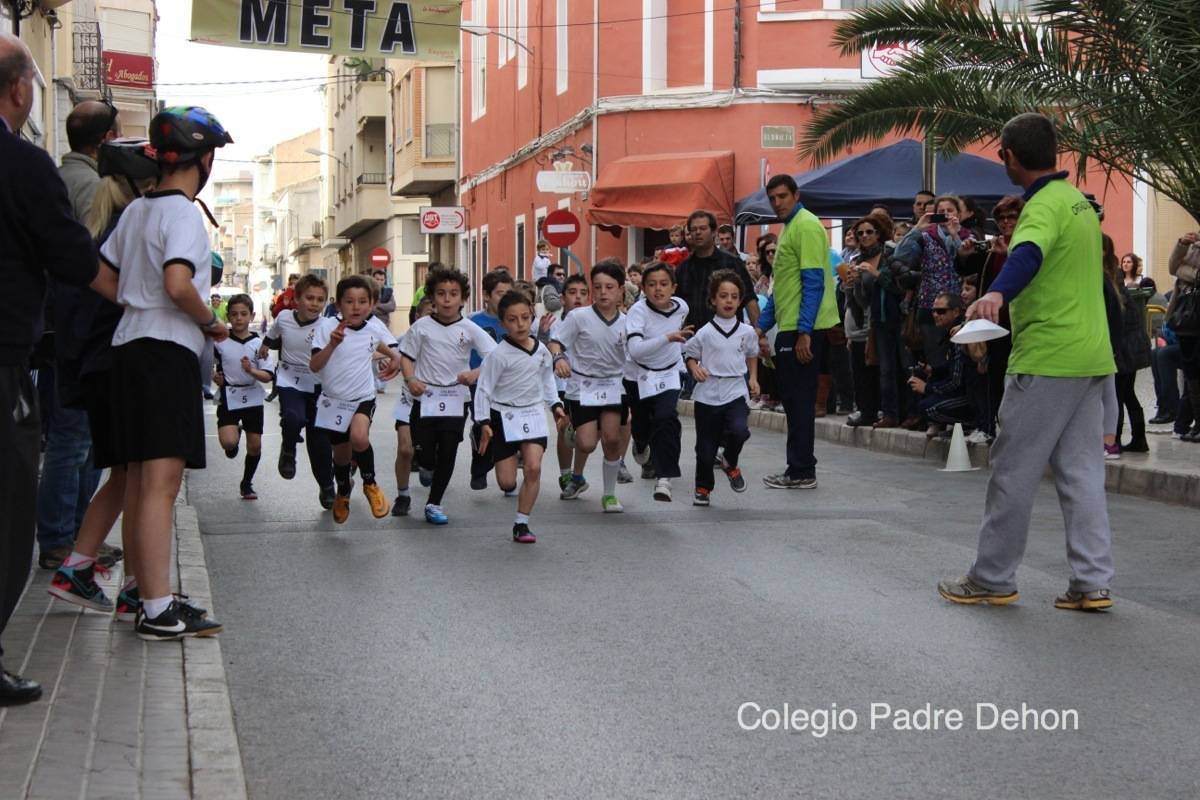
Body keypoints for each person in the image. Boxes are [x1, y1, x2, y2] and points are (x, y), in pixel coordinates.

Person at [939, 112, 1116, 612]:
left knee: (1012, 471)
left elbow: (1028, 255)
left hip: (1047, 358)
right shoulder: (1079, 203)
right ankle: (1092, 582)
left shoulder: (1040, 208)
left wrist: (994, 293)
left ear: (1009, 158)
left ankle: (992, 577)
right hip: (1091, 357)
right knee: (1082, 475)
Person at [0, 34, 120, 700]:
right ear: (21, 92)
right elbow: (74, 258)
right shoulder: (23, 166)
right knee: (11, 502)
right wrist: (137, 299)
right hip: (6, 357)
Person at [95, 105, 235, 641]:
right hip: (164, 352)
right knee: (160, 484)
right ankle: (156, 609)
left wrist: (138, 302)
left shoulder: (136, 211)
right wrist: (210, 323)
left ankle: (141, 592)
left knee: (137, 483)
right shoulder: (181, 213)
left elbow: (101, 276)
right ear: (205, 160)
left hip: (128, 345)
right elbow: (180, 283)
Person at [45, 138, 161, 620]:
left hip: (92, 370)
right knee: (138, 477)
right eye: (153, 183)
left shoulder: (95, 232)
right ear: (134, 185)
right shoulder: (123, 234)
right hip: (113, 368)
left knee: (128, 476)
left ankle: (114, 577)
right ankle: (83, 567)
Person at [35, 101, 123, 571]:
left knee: (80, 437)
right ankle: (62, 538)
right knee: (75, 439)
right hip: (77, 329)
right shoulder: (90, 187)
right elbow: (90, 264)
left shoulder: (63, 176)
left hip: (63, 328)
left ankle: (73, 536)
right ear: (107, 139)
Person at [756, 175, 839, 489]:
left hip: (804, 329)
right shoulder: (791, 227)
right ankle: (798, 468)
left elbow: (813, 282)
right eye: (772, 198)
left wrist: (805, 332)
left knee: (800, 402)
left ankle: (802, 471)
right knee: (792, 401)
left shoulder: (805, 225)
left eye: (782, 196)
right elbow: (782, 289)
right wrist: (760, 327)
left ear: (795, 194)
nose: (777, 203)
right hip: (789, 326)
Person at [400, 268, 497, 525]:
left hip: (456, 399)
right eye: (441, 294)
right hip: (424, 398)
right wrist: (411, 380)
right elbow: (407, 358)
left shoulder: (470, 328)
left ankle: (434, 503)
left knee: (448, 451)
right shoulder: (421, 327)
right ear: (432, 297)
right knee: (425, 452)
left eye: (453, 294)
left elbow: (496, 357)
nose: (447, 299)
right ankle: (425, 465)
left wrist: (475, 373)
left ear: (462, 299)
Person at [474, 291, 569, 543]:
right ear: (503, 322)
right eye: (513, 320)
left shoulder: (542, 352)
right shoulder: (498, 355)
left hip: (533, 412)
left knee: (534, 468)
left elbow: (547, 379)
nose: (520, 324)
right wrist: (483, 422)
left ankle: (522, 523)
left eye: (525, 318)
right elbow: (484, 389)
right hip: (503, 415)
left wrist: (556, 405)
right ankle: (507, 454)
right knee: (506, 481)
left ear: (532, 317)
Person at [310, 275, 402, 524]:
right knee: (340, 456)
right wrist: (332, 345)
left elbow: (382, 344)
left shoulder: (373, 328)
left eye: (363, 301)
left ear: (371, 304)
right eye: (349, 301)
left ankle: (370, 484)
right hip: (333, 401)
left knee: (359, 437)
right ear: (338, 304)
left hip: (362, 396)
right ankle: (343, 490)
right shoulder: (326, 327)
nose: (356, 306)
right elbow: (314, 366)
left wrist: (394, 358)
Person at [550, 261, 629, 512]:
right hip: (582, 387)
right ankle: (572, 430)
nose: (604, 292)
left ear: (620, 291)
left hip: (614, 386)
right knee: (586, 444)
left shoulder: (628, 322)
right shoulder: (578, 317)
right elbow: (555, 342)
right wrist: (559, 358)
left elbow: (639, 353)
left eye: (610, 287)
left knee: (612, 438)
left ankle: (609, 495)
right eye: (598, 287)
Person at [684, 271, 759, 506]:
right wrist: (694, 368)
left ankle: (729, 461)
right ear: (713, 300)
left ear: (739, 301)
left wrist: (753, 378)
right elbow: (689, 354)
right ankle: (703, 487)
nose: (729, 301)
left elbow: (752, 355)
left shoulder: (746, 332)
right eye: (723, 296)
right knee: (705, 448)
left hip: (736, 389)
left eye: (734, 297)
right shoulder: (705, 332)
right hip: (708, 393)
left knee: (740, 431)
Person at [262, 274, 335, 508]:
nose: (314, 304)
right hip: (289, 379)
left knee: (319, 442)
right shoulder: (284, 317)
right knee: (293, 417)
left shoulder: (327, 325)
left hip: (316, 385)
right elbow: (272, 335)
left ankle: (326, 486)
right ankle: (288, 450)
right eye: (309, 298)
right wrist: (264, 346)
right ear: (297, 299)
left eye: (320, 300)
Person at [624, 262, 692, 502]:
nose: (658, 289)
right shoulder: (637, 312)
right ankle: (641, 444)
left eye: (664, 284)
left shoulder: (682, 307)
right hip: (639, 375)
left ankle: (665, 479)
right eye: (651, 285)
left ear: (674, 287)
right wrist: (668, 338)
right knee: (642, 425)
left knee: (666, 418)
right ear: (643, 288)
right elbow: (635, 350)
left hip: (670, 372)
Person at [895, 193, 967, 374]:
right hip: (930, 306)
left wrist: (955, 235)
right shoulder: (924, 236)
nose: (945, 214)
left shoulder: (967, 236)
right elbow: (899, 255)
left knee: (960, 360)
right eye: (940, 211)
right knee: (935, 360)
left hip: (958, 306)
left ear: (959, 213)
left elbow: (968, 263)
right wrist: (917, 229)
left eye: (949, 210)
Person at [212, 294, 274, 499]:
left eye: (244, 314)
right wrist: (215, 377)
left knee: (255, 445)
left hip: (253, 396)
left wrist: (251, 371)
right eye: (235, 314)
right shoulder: (219, 341)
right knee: (229, 444)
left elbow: (267, 377)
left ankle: (247, 483)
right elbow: (205, 364)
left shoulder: (259, 344)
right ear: (228, 316)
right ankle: (234, 433)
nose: (239, 318)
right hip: (229, 395)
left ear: (252, 316)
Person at [467, 270, 513, 492]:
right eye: (499, 293)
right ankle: (480, 466)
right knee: (481, 424)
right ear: (486, 295)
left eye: (508, 293)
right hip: (479, 383)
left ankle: (508, 466)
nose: (504, 298)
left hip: (507, 384)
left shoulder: (515, 320)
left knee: (504, 426)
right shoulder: (473, 321)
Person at [390, 297, 434, 516]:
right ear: (418, 317)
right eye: (428, 313)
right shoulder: (407, 338)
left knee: (432, 453)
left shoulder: (450, 338)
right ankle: (403, 495)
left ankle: (427, 464)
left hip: (436, 405)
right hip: (409, 402)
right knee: (405, 449)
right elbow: (386, 351)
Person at [908, 293, 975, 434]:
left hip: (970, 395)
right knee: (926, 377)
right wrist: (932, 370)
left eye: (941, 311)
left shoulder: (959, 335)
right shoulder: (947, 334)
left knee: (927, 407)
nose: (935, 315)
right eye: (933, 311)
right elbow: (950, 368)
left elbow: (956, 382)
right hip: (960, 391)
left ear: (956, 312)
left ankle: (972, 423)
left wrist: (927, 388)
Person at [550, 274, 590, 489]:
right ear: (562, 298)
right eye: (573, 293)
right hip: (561, 385)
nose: (578, 298)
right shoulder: (555, 323)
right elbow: (549, 348)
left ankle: (578, 475)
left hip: (586, 386)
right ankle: (565, 475)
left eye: (583, 293)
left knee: (584, 431)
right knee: (565, 428)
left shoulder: (593, 320)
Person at [1167, 231, 1200, 441]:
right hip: (1185, 318)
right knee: (1191, 374)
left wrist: (1182, 270)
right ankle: (1197, 422)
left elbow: (1191, 275)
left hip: (1196, 315)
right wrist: (1181, 244)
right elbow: (1172, 267)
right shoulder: (1191, 243)